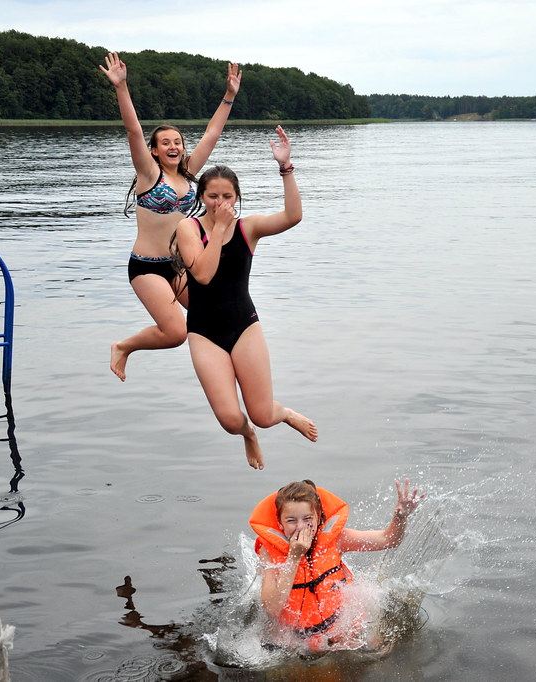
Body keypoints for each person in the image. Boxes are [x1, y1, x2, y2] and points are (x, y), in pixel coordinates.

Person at [172, 126, 316, 469]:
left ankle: (285, 414)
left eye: (227, 197)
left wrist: (286, 167)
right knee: (229, 419)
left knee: (264, 415)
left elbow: (293, 216)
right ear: (201, 198)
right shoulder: (187, 229)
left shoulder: (247, 228)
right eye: (212, 196)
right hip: (205, 331)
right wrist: (219, 229)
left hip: (243, 325)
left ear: (236, 197)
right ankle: (248, 435)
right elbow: (203, 275)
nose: (220, 203)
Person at [100, 51, 241, 381]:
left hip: (178, 266)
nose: (174, 146)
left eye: (177, 141)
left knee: (216, 310)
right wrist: (121, 87)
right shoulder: (149, 175)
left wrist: (229, 97)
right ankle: (124, 346)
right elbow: (134, 131)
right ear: (154, 150)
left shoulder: (189, 173)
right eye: (166, 143)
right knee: (175, 331)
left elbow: (211, 135)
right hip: (146, 266)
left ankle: (227, 367)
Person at [249, 479, 424, 651]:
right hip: (294, 638)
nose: (300, 527)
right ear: (280, 523)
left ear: (318, 517)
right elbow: (272, 609)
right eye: (291, 520)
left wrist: (400, 517)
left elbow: (389, 540)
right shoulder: (268, 552)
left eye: (307, 518)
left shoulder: (337, 540)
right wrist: (294, 557)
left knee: (377, 654)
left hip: (338, 627)